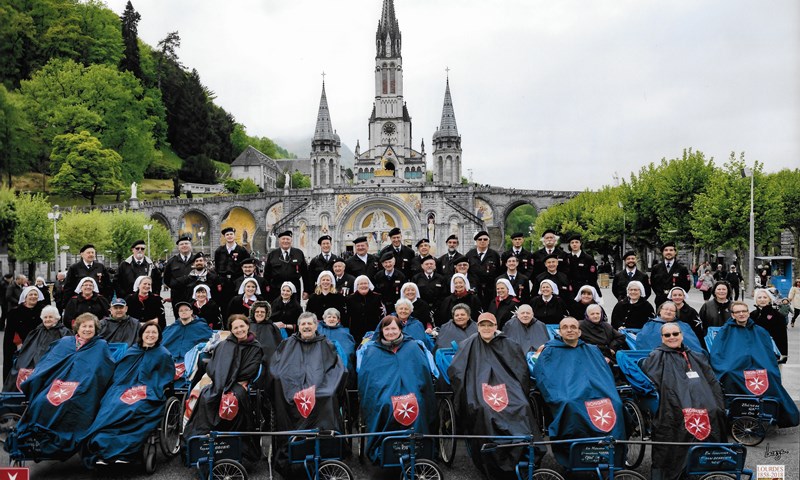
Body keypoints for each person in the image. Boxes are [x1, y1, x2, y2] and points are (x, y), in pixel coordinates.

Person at [448, 312, 544, 477]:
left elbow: (519, 370)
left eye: (489, 325)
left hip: (508, 386)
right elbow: (457, 370)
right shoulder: (467, 345)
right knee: (484, 408)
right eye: (482, 325)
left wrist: (520, 389)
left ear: (495, 327)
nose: (486, 328)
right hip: (477, 386)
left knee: (522, 405)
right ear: (477, 327)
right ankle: (493, 457)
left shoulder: (509, 344)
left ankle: (522, 449)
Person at [13, 313, 115, 459]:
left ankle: (67, 441)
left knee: (72, 402)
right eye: (84, 326)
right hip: (58, 383)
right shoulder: (65, 342)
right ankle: (43, 437)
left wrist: (85, 382)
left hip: (84, 385)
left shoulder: (100, 345)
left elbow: (102, 369)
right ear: (77, 328)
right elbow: (49, 362)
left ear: (96, 329)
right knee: (42, 401)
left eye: (90, 326)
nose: (87, 329)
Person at [533, 317, 626, 468]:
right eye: (565, 327)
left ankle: (610, 454)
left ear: (579, 331)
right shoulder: (550, 350)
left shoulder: (592, 350)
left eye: (573, 327)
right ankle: (575, 454)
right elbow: (546, 377)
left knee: (615, 403)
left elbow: (603, 374)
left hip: (595, 391)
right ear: (560, 331)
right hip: (567, 393)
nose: (569, 330)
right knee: (570, 404)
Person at [641, 322, 728, 480]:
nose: (672, 337)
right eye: (667, 335)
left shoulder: (696, 355)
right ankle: (680, 468)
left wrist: (717, 402)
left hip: (701, 398)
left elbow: (710, 380)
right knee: (680, 417)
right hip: (673, 401)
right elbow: (655, 384)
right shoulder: (656, 356)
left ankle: (708, 464)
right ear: (662, 338)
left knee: (714, 412)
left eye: (675, 334)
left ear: (681, 335)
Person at [81, 321, 174, 465]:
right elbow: (119, 374)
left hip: (149, 391)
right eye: (147, 332)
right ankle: (100, 444)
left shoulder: (163, 354)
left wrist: (150, 389)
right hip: (124, 387)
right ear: (141, 334)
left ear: (159, 336)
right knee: (111, 404)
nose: (150, 335)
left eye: (154, 332)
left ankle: (123, 451)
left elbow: (165, 378)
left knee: (133, 408)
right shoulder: (132, 351)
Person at [268, 312, 347, 468]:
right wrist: (288, 385)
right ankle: (292, 448)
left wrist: (324, 387)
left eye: (309, 324)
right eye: (303, 324)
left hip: (321, 389)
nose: (306, 327)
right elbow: (276, 368)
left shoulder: (326, 344)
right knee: (286, 396)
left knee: (327, 396)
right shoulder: (287, 343)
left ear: (315, 326)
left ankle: (326, 450)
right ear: (299, 327)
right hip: (291, 387)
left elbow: (337, 369)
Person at [357, 315, 437, 463]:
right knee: (385, 404)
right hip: (383, 393)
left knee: (417, 402)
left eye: (393, 328)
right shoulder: (372, 350)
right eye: (386, 329)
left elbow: (421, 373)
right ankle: (384, 448)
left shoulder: (413, 346)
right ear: (381, 331)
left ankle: (419, 446)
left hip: (412, 389)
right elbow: (369, 379)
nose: (390, 332)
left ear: (400, 329)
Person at [183, 315, 263, 462]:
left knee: (231, 401)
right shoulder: (223, 345)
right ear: (231, 330)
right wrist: (221, 379)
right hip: (218, 382)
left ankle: (233, 447)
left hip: (239, 384)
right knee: (207, 399)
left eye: (242, 326)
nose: (239, 330)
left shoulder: (255, 347)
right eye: (236, 327)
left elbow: (250, 370)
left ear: (247, 326)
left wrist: (229, 378)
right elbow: (212, 367)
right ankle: (204, 443)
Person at [709, 302, 799, 428]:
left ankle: (772, 411)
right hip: (734, 367)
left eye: (744, 311)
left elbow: (767, 353)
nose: (741, 314)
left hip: (758, 365)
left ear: (748, 313)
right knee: (728, 373)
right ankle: (735, 411)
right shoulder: (725, 331)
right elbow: (718, 353)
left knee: (770, 374)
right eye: (738, 312)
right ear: (733, 315)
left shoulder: (759, 330)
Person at [3, 305, 72, 392]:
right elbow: (26, 351)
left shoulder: (65, 333)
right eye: (45, 317)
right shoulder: (35, 332)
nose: (47, 319)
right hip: (32, 364)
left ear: (57, 318)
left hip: (55, 366)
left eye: (50, 317)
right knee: (18, 371)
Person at [161, 301, 213, 389]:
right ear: (178, 313)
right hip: (172, 361)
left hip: (191, 362)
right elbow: (162, 344)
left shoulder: (201, 326)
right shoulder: (171, 328)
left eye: (186, 310)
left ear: (191, 312)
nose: (183, 312)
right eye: (181, 310)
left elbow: (210, 342)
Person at [3, 285, 45, 381]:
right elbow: (10, 332)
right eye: (31, 294)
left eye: (35, 294)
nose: (33, 296)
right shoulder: (15, 312)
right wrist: (18, 343)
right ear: (25, 297)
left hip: (39, 345)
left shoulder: (43, 311)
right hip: (20, 345)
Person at [636, 301, 703, 352]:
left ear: (675, 314)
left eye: (671, 310)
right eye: (666, 309)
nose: (668, 312)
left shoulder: (684, 326)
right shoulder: (650, 325)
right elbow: (642, 342)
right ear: (660, 311)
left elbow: (693, 344)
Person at [264, 230, 307, 302]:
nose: (285, 241)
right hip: (276, 288)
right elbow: (267, 273)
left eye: (288, 239)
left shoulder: (298, 253)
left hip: (294, 288)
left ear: (291, 240)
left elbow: (305, 273)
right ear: (279, 241)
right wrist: (266, 287)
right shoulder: (272, 254)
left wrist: (306, 290)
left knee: (294, 309)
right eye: (283, 239)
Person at [214, 226, 251, 307]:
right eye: (227, 234)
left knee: (237, 304)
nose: (229, 236)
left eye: (231, 234)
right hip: (223, 281)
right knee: (224, 304)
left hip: (237, 280)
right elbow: (216, 267)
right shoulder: (219, 251)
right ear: (224, 237)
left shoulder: (242, 250)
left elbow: (248, 265)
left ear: (234, 236)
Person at [465, 230, 502, 309]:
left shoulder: (494, 255)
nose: (482, 241)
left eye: (485, 239)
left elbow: (499, 271)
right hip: (474, 289)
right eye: (480, 239)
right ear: (476, 241)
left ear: (488, 241)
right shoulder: (470, 254)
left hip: (490, 289)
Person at [344, 275, 385, 343]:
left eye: (365, 283)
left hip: (374, 332)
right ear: (357, 285)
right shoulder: (349, 299)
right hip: (356, 333)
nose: (363, 285)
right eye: (361, 284)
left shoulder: (377, 297)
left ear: (369, 284)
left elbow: (382, 315)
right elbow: (346, 317)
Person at [649, 242, 692, 307]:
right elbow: (653, 284)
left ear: (675, 252)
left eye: (671, 250)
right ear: (663, 253)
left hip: (676, 302)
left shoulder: (682, 269)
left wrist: (678, 296)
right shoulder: (656, 268)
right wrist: (659, 294)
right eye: (666, 250)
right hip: (660, 301)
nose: (668, 252)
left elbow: (686, 285)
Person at [750, 288, 788, 361]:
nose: (762, 300)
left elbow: (782, 337)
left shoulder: (778, 316)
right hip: (755, 352)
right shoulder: (752, 315)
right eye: (759, 297)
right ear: (756, 300)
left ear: (770, 299)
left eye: (765, 297)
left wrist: (783, 355)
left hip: (772, 352)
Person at [163, 235, 196, 315]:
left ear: (190, 246)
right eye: (181, 244)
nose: (184, 245)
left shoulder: (196, 260)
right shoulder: (172, 261)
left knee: (194, 319)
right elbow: (166, 279)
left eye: (186, 243)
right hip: (177, 295)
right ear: (178, 247)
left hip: (194, 295)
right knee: (179, 319)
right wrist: (175, 284)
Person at [411, 256, 447, 326]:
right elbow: (413, 294)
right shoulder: (416, 278)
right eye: (427, 264)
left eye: (431, 264)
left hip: (437, 309)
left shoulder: (441, 278)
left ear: (435, 266)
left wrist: (435, 307)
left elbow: (444, 294)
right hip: (421, 309)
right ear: (422, 266)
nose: (429, 266)